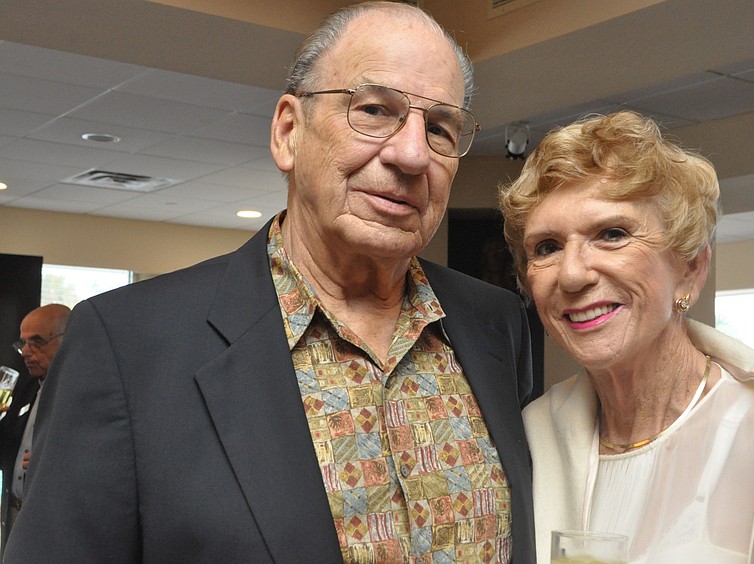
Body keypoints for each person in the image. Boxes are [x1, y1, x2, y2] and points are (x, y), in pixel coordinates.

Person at [4, 3, 536, 562]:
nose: (411, 153)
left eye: (440, 128)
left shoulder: (493, 325)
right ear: (288, 131)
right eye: (376, 110)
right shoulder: (127, 344)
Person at [499, 111, 754, 563]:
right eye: (547, 247)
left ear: (690, 268)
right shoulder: (535, 434)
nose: (571, 274)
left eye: (612, 234)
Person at [0, 304, 70, 547]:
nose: (26, 352)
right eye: (23, 343)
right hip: (14, 514)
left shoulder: (87, 398)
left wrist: (53, 460)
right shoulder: (27, 387)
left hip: (58, 522)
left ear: (68, 339)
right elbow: (6, 450)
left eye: (36, 342)